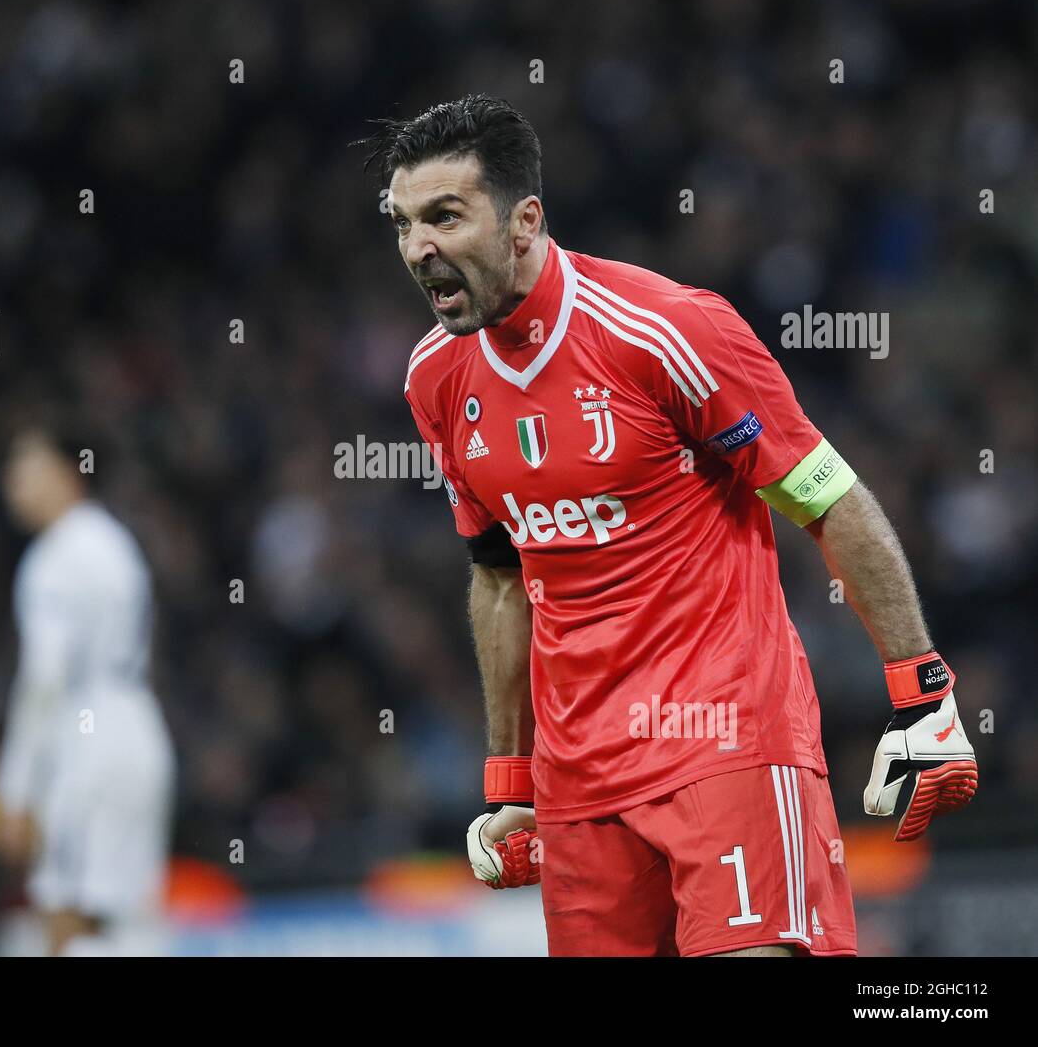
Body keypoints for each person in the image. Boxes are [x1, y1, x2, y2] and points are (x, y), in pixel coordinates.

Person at [358, 94, 978, 957]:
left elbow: (828, 496)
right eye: (402, 224)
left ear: (524, 220)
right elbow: (500, 577)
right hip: (581, 786)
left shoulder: (664, 329)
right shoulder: (435, 379)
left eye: (444, 216)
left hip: (726, 740)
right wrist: (514, 781)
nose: (418, 247)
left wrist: (924, 696)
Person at [0, 424, 175, 957]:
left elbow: (44, 681)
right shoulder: (115, 542)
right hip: (139, 728)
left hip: (87, 739)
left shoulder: (54, 558)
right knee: (121, 917)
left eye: (26, 467)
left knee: (64, 913)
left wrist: (14, 791)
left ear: (68, 472)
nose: (13, 483)